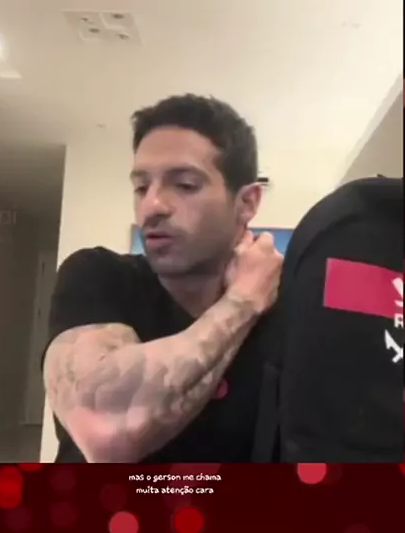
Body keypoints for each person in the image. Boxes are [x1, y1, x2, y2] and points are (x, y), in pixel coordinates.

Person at [43, 94, 283, 463]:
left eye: (184, 185)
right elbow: (104, 429)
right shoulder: (100, 276)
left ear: (247, 202)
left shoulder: (290, 311)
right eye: (141, 187)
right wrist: (243, 301)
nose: (152, 206)